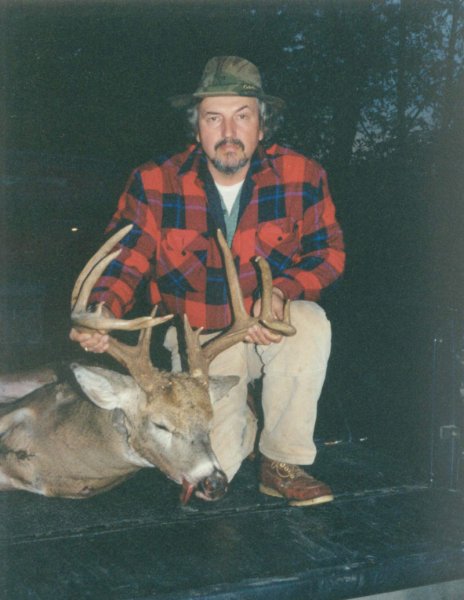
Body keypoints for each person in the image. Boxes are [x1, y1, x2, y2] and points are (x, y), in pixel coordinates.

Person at [70, 56, 345, 507]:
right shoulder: (154, 181)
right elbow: (126, 257)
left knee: (310, 322)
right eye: (213, 118)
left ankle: (282, 461)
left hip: (269, 328)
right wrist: (101, 312)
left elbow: (329, 253)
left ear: (262, 125)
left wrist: (281, 292)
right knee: (218, 473)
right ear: (196, 127)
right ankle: (247, 425)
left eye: (243, 116)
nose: (229, 132)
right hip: (199, 345)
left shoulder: (303, 175)